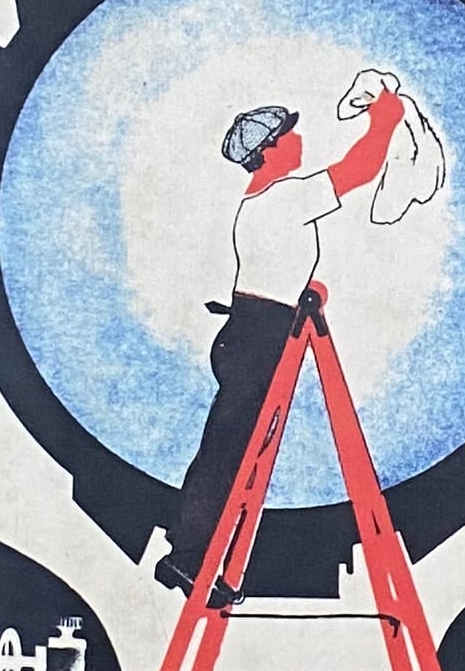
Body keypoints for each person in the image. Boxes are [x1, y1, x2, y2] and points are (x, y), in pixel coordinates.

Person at [158, 71, 446, 598]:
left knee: (232, 450)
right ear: (267, 151)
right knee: (228, 454)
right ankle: (186, 559)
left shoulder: (264, 201)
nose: (298, 140)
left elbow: (277, 268)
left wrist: (301, 290)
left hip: (254, 330)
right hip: (258, 338)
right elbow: (357, 170)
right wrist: (384, 122)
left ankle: (194, 558)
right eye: (288, 135)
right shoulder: (283, 198)